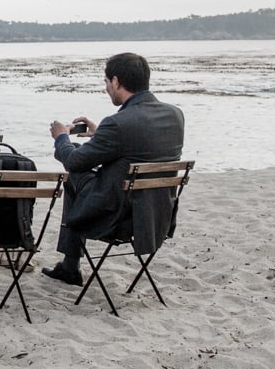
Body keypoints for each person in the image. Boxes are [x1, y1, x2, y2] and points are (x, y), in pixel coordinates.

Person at [41, 52, 186, 286]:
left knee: (74, 170)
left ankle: (70, 266)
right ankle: (69, 266)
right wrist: (99, 134)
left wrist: (61, 138)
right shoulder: (175, 115)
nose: (107, 87)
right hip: (155, 214)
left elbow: (76, 162)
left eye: (107, 82)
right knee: (79, 154)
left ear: (116, 81)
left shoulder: (118, 123)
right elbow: (141, 146)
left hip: (118, 218)